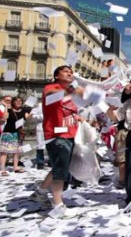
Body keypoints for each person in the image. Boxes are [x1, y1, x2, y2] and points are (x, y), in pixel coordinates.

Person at [31, 65, 84, 218]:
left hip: (70, 134)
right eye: (65, 71)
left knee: (59, 167)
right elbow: (54, 94)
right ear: (56, 76)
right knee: (60, 170)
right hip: (56, 135)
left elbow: (72, 112)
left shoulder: (71, 95)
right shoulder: (51, 88)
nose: (70, 73)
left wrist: (80, 118)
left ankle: (40, 192)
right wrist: (72, 91)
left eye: (71, 72)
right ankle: (58, 205)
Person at [0, 97, 30, 176]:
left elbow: (29, 119)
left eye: (20, 101)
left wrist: (33, 112)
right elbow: (4, 118)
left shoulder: (24, 110)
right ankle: (2, 169)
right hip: (9, 132)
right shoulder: (9, 110)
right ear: (13, 102)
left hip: (19, 133)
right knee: (4, 151)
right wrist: (6, 106)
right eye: (16, 101)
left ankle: (15, 167)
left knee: (17, 151)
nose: (19, 102)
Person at [30, 102, 46, 170]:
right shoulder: (39, 105)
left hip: (53, 128)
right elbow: (32, 116)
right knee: (40, 146)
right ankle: (40, 163)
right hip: (41, 128)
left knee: (53, 146)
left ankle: (52, 162)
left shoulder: (54, 103)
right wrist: (43, 116)